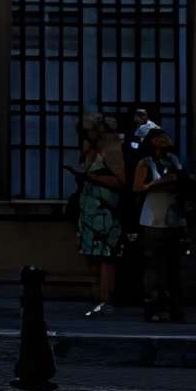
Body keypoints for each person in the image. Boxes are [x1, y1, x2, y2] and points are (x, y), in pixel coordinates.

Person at [130, 123, 189, 323]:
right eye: (159, 137)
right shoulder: (145, 163)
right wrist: (156, 184)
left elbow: (182, 179)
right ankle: (152, 306)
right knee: (153, 265)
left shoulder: (173, 159)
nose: (165, 139)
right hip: (153, 217)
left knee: (175, 265)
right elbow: (137, 188)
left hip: (174, 216)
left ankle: (175, 306)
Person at [71, 116, 130, 316]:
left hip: (106, 213)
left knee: (106, 258)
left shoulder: (112, 151)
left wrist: (92, 177)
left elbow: (122, 181)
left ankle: (106, 299)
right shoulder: (90, 150)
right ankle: (100, 297)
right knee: (96, 258)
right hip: (90, 213)